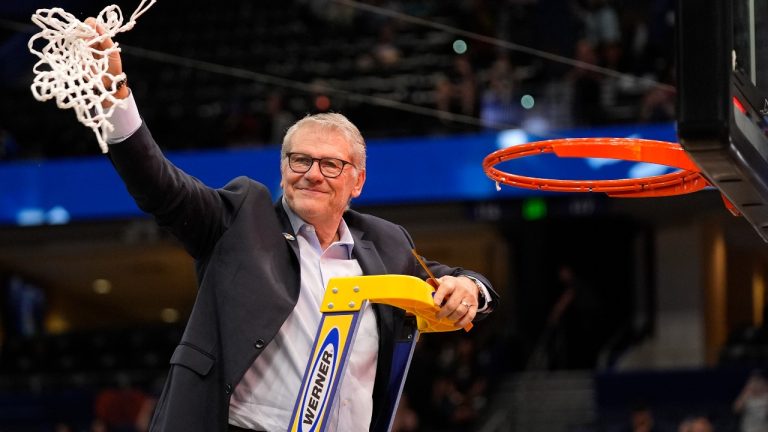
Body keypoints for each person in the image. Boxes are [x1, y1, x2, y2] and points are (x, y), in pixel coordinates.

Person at [83, 19, 498, 432]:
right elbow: (162, 187)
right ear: (283, 171)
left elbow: (450, 281)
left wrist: (470, 289)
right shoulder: (243, 217)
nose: (313, 174)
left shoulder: (387, 242)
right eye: (300, 160)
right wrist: (114, 95)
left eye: (331, 164)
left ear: (358, 181)